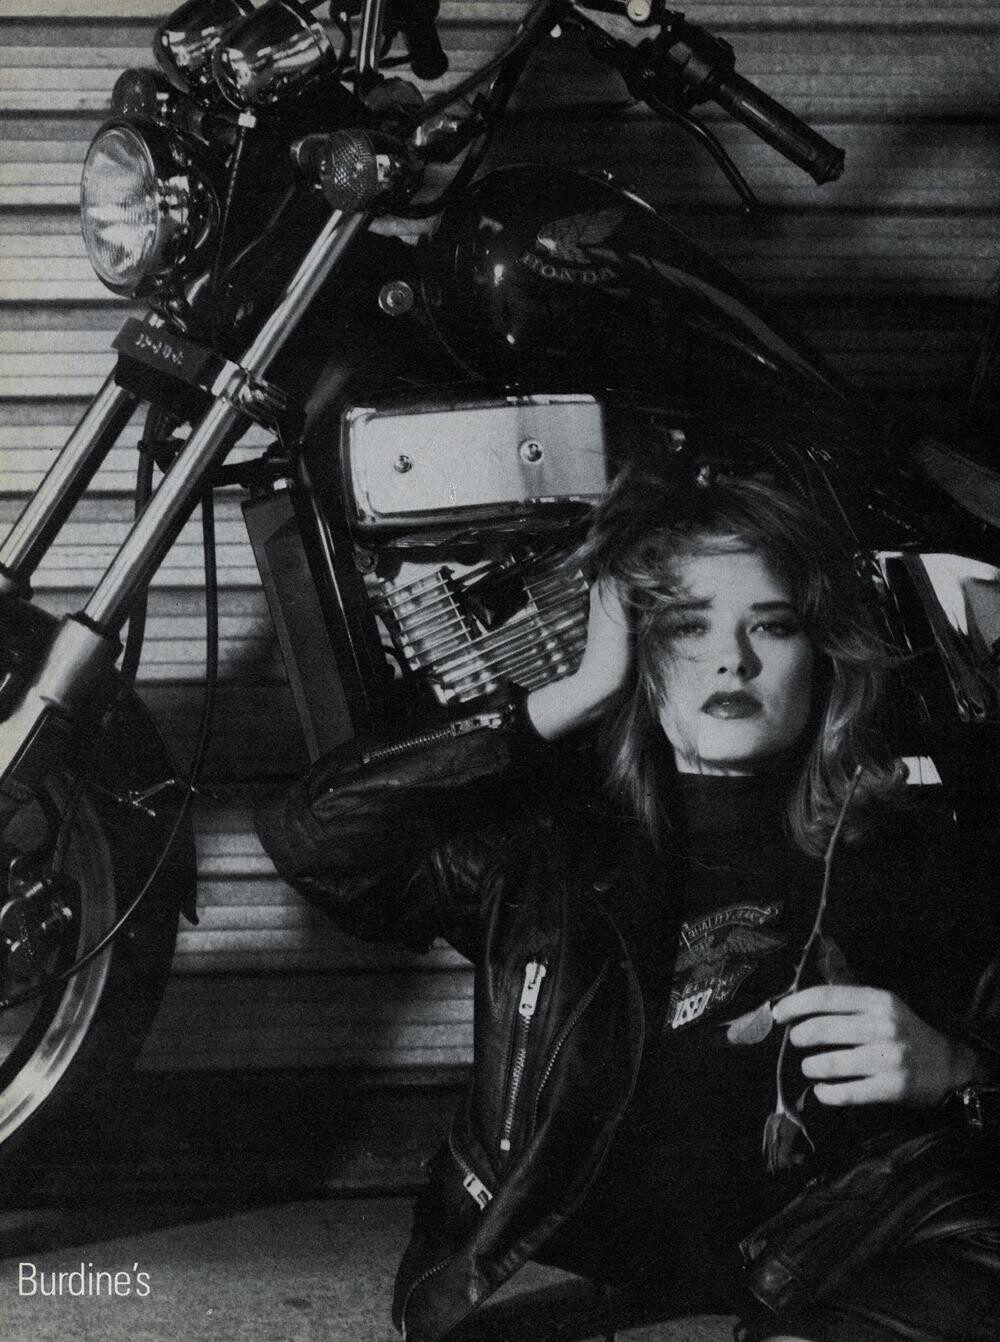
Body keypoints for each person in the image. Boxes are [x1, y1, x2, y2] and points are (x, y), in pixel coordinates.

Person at [256, 461, 1000, 1342]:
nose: (732, 658)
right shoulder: (546, 843)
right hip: (560, 1251)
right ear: (639, 649)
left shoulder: (907, 848)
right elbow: (311, 835)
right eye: (688, 625)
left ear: (823, 652)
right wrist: (577, 690)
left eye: (773, 625)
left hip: (815, 1254)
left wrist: (957, 1069)